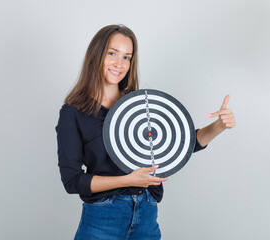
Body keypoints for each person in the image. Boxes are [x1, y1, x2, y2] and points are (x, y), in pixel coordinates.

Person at [56, 24, 236, 240]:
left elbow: (181, 144)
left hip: (146, 216)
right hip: (102, 219)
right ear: (96, 54)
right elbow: (72, 180)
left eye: (127, 57)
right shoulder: (73, 112)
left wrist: (218, 126)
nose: (119, 64)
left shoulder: (140, 104)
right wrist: (128, 180)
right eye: (112, 53)